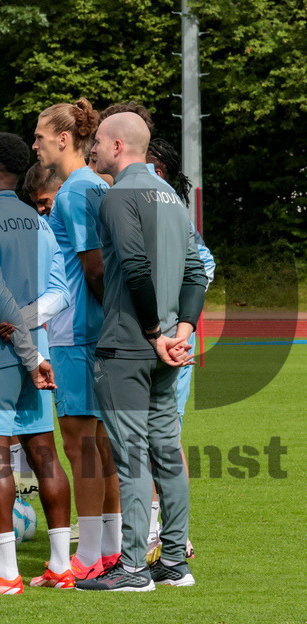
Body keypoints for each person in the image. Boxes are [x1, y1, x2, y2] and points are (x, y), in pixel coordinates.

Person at [77, 113, 207, 591]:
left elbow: (133, 266)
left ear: (117, 145)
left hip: (129, 345)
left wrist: (153, 332)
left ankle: (132, 568)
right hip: (167, 347)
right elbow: (197, 272)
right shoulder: (172, 196)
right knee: (167, 452)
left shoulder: (116, 196)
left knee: (131, 457)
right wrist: (180, 333)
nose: (91, 148)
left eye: (96, 141)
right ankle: (173, 562)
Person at [0, 132, 73, 595]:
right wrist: (34, 349)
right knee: (45, 455)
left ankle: (5, 572)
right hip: (36, 355)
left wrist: (25, 352)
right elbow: (60, 292)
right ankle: (60, 566)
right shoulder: (40, 223)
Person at [32, 98, 122, 578]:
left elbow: (94, 268)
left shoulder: (74, 192)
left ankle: (86, 557)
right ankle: (109, 550)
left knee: (81, 445)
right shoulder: (97, 185)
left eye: (40, 136)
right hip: (93, 332)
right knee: (101, 445)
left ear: (64, 139)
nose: (35, 145)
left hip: (78, 334)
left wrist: (115, 324)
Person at [143, 136, 216, 563]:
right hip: (150, 339)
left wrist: (180, 327)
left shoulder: (168, 212)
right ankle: (152, 528)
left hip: (169, 342)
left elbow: (204, 267)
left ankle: (173, 534)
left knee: (165, 436)